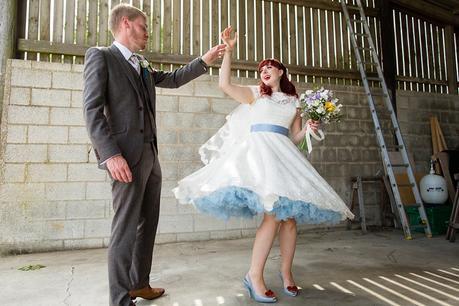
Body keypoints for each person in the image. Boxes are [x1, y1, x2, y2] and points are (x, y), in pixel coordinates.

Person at [173, 26, 354, 303]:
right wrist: (228, 52)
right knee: (272, 213)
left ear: (281, 71)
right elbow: (224, 85)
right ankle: (254, 276)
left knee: (290, 219)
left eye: (270, 67)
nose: (264, 72)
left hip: (284, 157)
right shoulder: (255, 94)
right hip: (260, 157)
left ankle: (287, 274)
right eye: (261, 70)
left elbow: (293, 138)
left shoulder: (294, 101)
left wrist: (308, 128)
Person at [83, 4, 226, 306]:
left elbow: (173, 79)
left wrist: (205, 60)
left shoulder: (142, 64)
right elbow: (92, 110)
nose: (148, 33)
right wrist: (110, 155)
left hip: (151, 158)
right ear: (126, 24)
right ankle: (120, 300)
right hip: (124, 159)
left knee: (148, 223)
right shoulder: (102, 56)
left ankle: (139, 284)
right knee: (124, 230)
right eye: (144, 26)